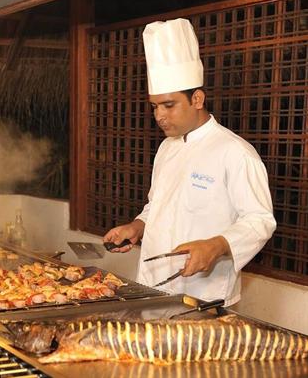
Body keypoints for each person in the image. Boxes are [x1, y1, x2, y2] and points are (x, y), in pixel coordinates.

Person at [102, 18, 276, 306]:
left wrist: (216, 245)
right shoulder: (166, 148)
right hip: (152, 287)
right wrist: (137, 226)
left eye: (169, 105)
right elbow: (157, 205)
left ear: (197, 99)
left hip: (204, 296)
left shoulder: (235, 152)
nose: (159, 116)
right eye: (155, 106)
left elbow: (260, 220)